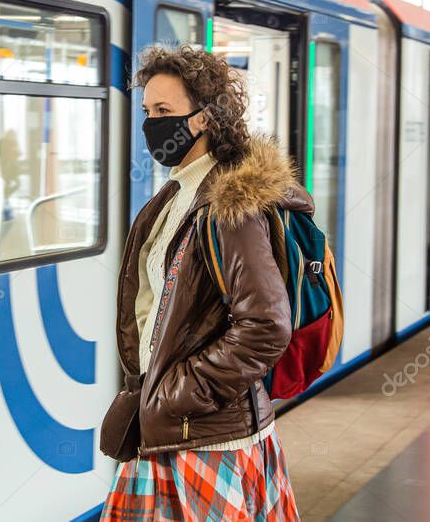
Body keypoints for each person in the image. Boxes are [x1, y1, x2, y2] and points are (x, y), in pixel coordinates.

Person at [100, 45, 310, 521]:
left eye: (165, 111)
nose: (152, 124)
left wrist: (178, 393)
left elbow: (266, 325)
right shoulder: (175, 195)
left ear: (203, 119)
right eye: (148, 111)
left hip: (208, 438)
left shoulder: (228, 205)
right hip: (171, 428)